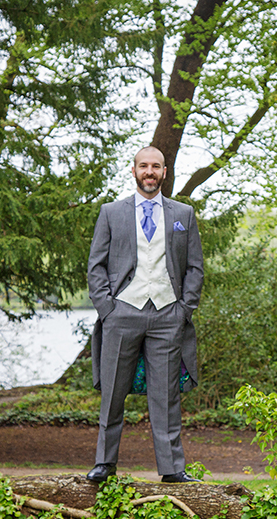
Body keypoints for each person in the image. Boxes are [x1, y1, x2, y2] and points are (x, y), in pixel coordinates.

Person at [86, 146, 204, 484]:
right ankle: (104, 464)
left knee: (165, 395)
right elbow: (96, 266)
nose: (149, 172)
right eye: (143, 166)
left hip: (168, 314)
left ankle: (171, 469)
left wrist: (184, 310)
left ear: (164, 172)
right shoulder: (111, 212)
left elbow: (195, 267)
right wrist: (107, 309)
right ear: (134, 170)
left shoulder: (184, 213)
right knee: (113, 392)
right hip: (122, 312)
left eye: (155, 166)